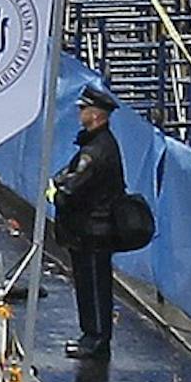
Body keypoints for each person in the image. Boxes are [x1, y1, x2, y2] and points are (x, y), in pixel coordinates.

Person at [53, 82, 126, 359]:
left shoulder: (96, 150)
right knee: (86, 282)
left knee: (94, 285)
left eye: (84, 109)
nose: (79, 113)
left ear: (96, 114)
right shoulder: (94, 143)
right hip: (87, 229)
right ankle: (91, 334)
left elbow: (72, 187)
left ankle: (96, 338)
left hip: (93, 229)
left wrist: (57, 192)